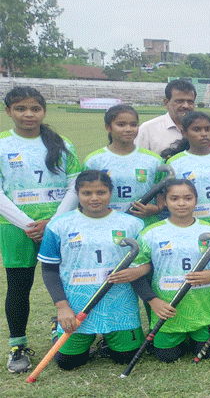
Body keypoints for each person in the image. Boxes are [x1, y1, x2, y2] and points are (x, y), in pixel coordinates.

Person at [1, 86, 81, 373]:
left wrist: (54, 223)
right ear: (8, 111)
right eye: (20, 108)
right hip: (16, 229)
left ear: (43, 111)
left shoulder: (63, 144)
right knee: (19, 286)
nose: (28, 114)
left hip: (59, 228)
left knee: (66, 282)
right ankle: (17, 346)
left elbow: (75, 185)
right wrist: (27, 224)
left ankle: (63, 330)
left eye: (35, 108)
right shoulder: (2, 144)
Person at [37, 170, 146, 371]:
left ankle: (109, 339)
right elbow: (49, 270)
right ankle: (57, 329)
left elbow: (148, 262)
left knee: (126, 358)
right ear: (77, 194)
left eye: (101, 192)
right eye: (87, 193)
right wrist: (62, 307)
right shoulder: (58, 225)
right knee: (68, 363)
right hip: (76, 307)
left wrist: (138, 271)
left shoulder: (133, 224)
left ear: (110, 193)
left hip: (120, 306)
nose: (94, 198)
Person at [132, 179, 210, 363]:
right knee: (167, 357)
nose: (181, 203)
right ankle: (178, 336)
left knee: (209, 353)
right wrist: (153, 301)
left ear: (196, 200)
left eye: (188, 198)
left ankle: (194, 335)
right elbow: (136, 273)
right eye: (174, 198)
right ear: (165, 201)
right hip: (168, 312)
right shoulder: (150, 233)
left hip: (204, 312)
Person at [84, 105, 165, 223]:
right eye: (121, 125)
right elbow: (83, 194)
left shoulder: (154, 160)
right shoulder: (94, 160)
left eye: (133, 125)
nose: (128, 129)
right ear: (108, 127)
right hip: (106, 224)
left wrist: (158, 208)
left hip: (144, 224)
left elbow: (162, 191)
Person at [136, 79, 197, 155]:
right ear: (166, 103)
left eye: (190, 102)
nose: (186, 106)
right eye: (180, 101)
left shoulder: (204, 129)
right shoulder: (147, 129)